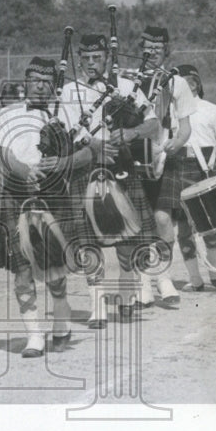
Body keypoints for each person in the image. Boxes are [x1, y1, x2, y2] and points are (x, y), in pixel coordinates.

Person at [0, 57, 91, 357]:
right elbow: (0, 153)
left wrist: (63, 162)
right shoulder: (8, 115)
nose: (40, 86)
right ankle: (34, 336)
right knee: (21, 270)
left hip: (54, 195)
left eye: (47, 81)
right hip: (17, 194)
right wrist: (23, 171)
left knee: (54, 270)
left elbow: (89, 153)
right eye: (35, 80)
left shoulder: (68, 115)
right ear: (25, 82)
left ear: (53, 85)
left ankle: (61, 320)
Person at [59, 33, 160, 327]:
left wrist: (130, 133)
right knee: (88, 243)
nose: (92, 63)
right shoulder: (68, 92)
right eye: (86, 59)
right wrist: (92, 146)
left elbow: (152, 123)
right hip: (86, 168)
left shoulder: (126, 86)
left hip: (122, 167)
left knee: (126, 239)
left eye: (97, 58)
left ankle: (127, 296)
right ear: (80, 60)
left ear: (107, 58)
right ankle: (97, 306)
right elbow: (64, 133)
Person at [133, 26, 195, 303]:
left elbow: (185, 127)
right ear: (140, 48)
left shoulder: (176, 83)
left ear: (166, 50)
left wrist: (176, 144)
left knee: (162, 218)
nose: (153, 52)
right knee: (138, 223)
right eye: (148, 48)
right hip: (135, 157)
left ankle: (164, 276)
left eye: (158, 48)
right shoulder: (128, 80)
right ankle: (144, 282)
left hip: (166, 156)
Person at [174, 65, 216, 291]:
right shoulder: (168, 112)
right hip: (179, 168)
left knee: (211, 224)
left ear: (193, 85)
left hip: (207, 168)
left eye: (179, 84)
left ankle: (213, 263)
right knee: (184, 228)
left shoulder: (212, 110)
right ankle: (195, 279)